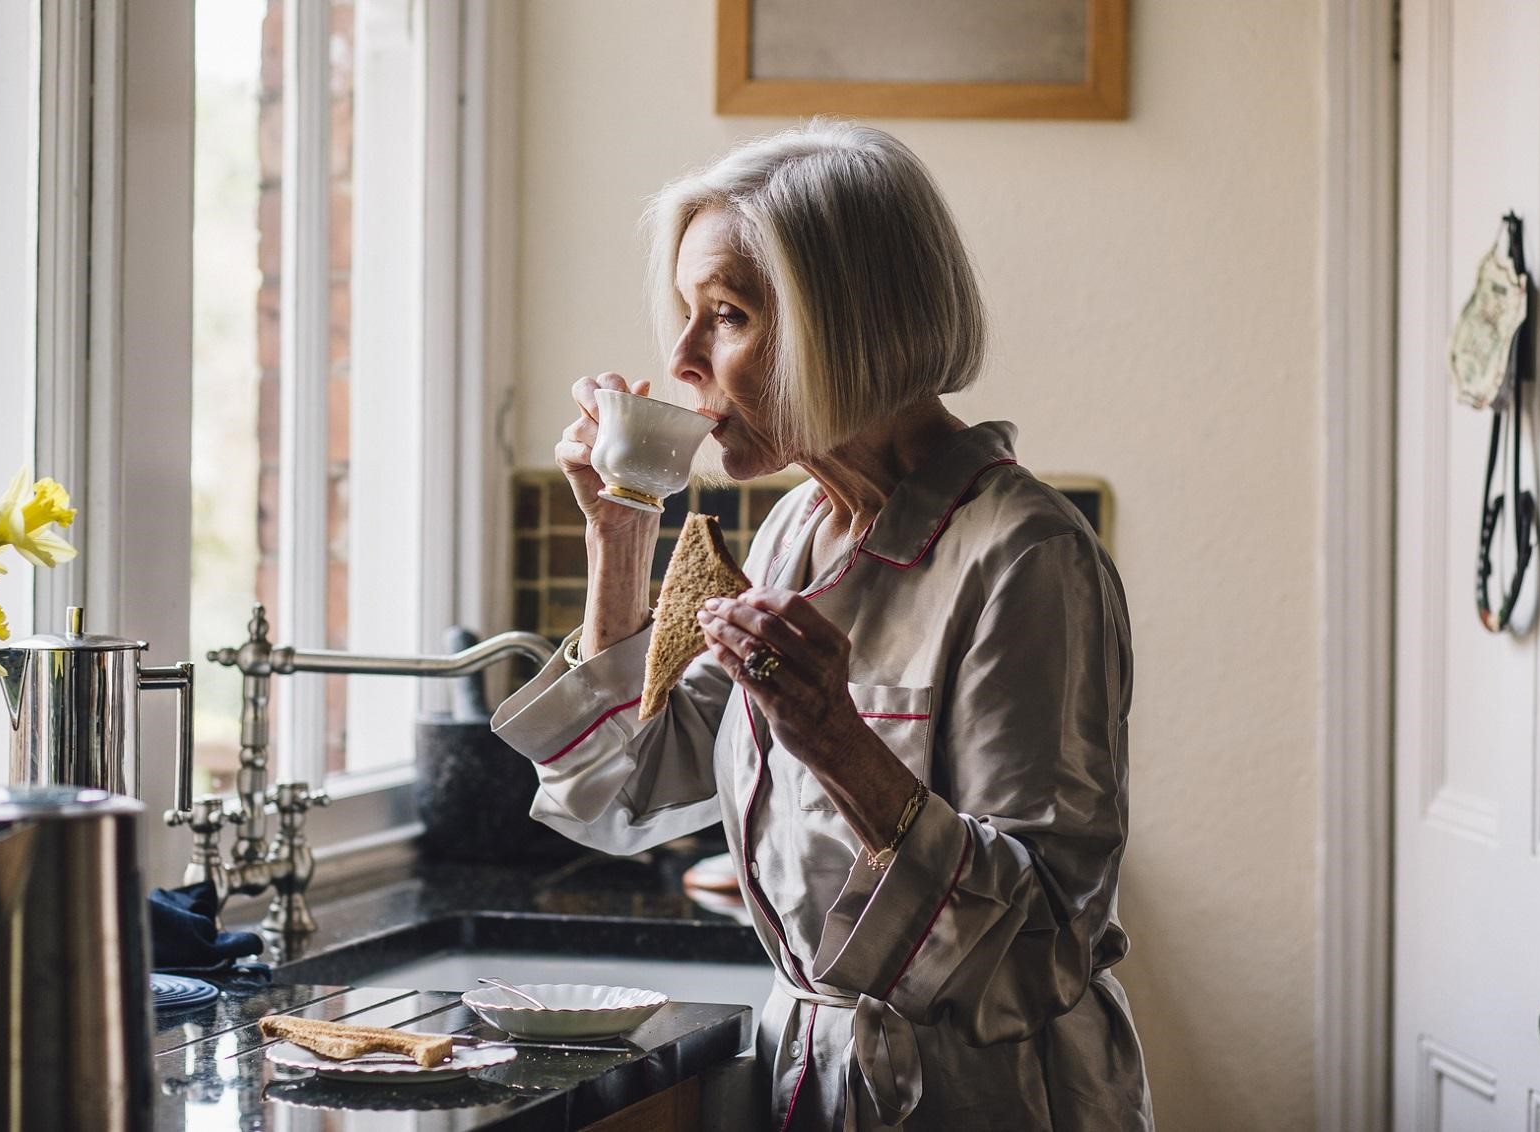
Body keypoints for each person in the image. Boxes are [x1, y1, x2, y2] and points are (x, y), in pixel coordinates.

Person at [490, 119, 1153, 1130]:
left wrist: (837, 741)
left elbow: (1041, 946)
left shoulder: (1023, 558)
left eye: (727, 315)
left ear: (845, 324)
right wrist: (619, 543)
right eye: (684, 312)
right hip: (809, 1071)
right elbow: (618, 798)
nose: (678, 359)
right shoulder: (796, 528)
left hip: (986, 1097)